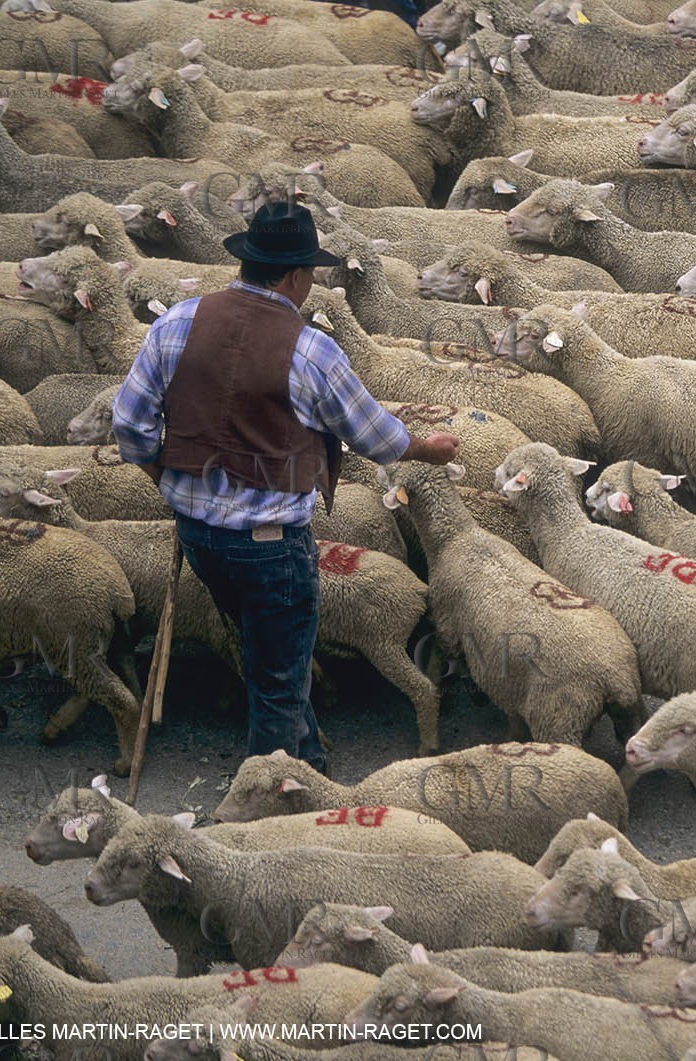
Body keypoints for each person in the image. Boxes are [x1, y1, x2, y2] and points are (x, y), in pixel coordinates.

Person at [111, 201, 459, 772]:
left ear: (247, 261)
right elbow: (374, 436)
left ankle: (309, 764)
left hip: (200, 537)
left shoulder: (177, 321)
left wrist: (165, 477)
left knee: (270, 658)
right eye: (311, 275)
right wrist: (429, 448)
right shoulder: (310, 348)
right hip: (271, 547)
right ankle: (273, 801)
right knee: (276, 677)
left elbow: (129, 423)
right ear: (298, 275)